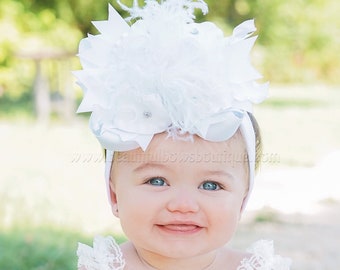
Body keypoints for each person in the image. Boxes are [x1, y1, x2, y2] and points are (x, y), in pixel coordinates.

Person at [74, 0, 291, 269]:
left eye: (211, 185)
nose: (183, 205)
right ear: (115, 195)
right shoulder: (105, 266)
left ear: (242, 199)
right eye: (156, 180)